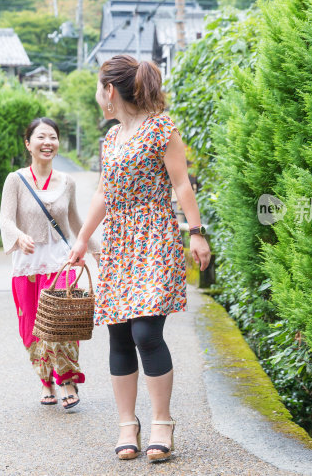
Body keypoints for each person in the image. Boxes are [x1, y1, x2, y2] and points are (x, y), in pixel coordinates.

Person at [67, 55, 211, 462]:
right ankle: (127, 424)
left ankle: (162, 422)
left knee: (146, 333)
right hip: (117, 242)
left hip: (155, 238)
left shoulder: (162, 129)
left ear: (109, 90)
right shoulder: (111, 139)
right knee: (118, 335)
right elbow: (101, 194)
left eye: (99, 88)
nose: (99, 96)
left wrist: (197, 233)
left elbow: (182, 184)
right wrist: (82, 240)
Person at [0, 117, 100, 409]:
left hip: (60, 265)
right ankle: (45, 381)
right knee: (32, 327)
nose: (48, 143)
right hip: (26, 266)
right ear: (28, 144)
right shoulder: (15, 180)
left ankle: (66, 380)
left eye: (53, 137)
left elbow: (75, 221)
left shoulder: (67, 182)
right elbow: (5, 219)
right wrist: (18, 237)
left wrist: (96, 251)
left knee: (62, 324)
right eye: (41, 137)